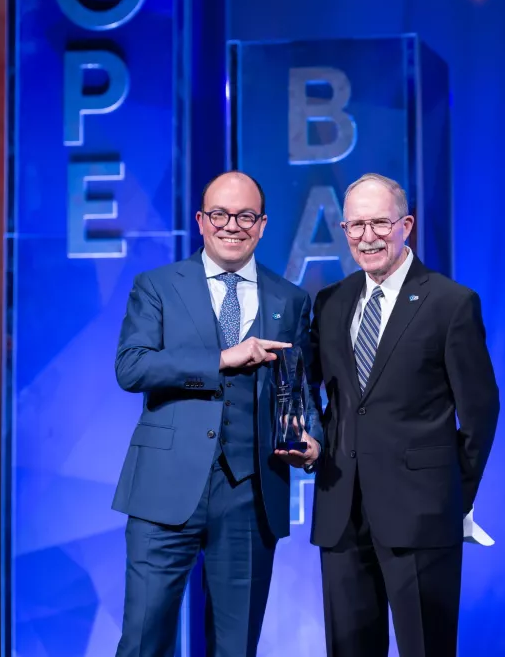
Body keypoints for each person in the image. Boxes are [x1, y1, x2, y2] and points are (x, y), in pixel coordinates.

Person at [112, 171, 322, 657]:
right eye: (221, 214)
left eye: (246, 215)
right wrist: (220, 360)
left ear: (263, 224)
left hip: (251, 496)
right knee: (143, 641)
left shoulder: (290, 299)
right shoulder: (158, 286)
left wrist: (312, 441)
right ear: (201, 221)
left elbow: (302, 385)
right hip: (163, 489)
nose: (233, 225)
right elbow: (131, 366)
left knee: (235, 647)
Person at [307, 173, 500, 657]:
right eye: (355, 225)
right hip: (341, 512)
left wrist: (452, 494)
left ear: (406, 225)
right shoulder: (331, 303)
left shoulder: (450, 303)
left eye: (379, 223)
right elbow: (314, 389)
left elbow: (480, 411)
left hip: (421, 514)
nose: (367, 236)